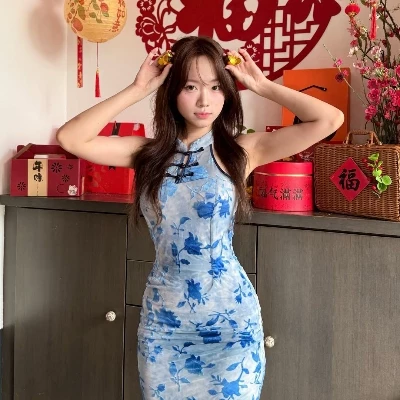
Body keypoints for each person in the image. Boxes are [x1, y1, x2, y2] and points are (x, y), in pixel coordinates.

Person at [57, 36, 344, 399]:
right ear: (172, 91)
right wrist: (138, 89)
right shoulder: (146, 154)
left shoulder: (242, 151)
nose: (205, 100)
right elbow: (71, 138)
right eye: (191, 87)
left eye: (215, 87)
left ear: (227, 92)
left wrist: (263, 85)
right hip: (164, 325)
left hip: (231, 326)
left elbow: (330, 119)